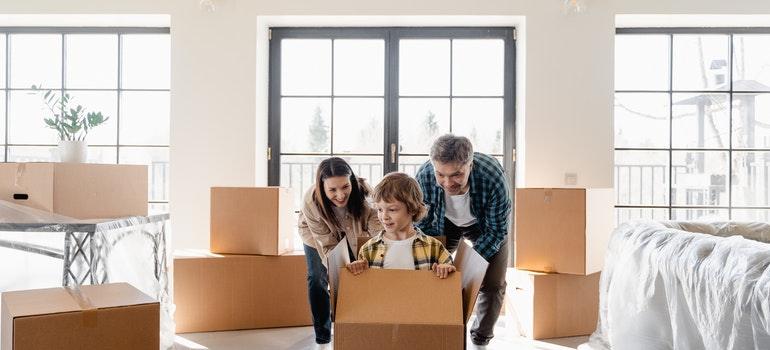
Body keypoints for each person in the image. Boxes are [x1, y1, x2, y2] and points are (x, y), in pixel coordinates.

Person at [415, 134, 512, 346]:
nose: (447, 183)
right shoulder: (423, 176)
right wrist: (438, 259)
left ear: (470, 164)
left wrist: (469, 268)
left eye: (457, 174)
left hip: (484, 225)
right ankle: (438, 332)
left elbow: (497, 230)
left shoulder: (493, 177)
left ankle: (480, 340)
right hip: (443, 224)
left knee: (493, 283)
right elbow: (422, 224)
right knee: (431, 275)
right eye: (440, 174)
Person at [297, 157, 382, 346]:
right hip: (316, 235)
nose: (341, 195)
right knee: (317, 276)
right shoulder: (310, 202)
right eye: (332, 190)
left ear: (351, 180)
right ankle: (323, 334)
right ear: (321, 187)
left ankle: (356, 326)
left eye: (345, 187)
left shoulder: (367, 195)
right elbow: (327, 245)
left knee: (359, 273)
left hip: (357, 232)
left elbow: (377, 234)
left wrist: (363, 259)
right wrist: (336, 269)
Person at [347, 172, 455, 278]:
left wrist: (446, 268)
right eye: (379, 209)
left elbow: (450, 271)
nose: (384, 217)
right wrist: (357, 268)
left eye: (392, 209)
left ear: (412, 209)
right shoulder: (368, 249)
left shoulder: (434, 247)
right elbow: (363, 286)